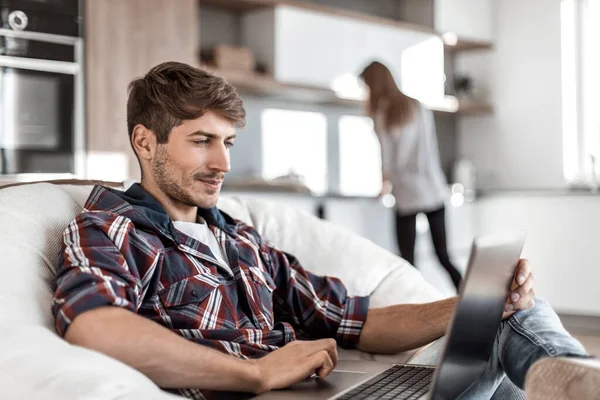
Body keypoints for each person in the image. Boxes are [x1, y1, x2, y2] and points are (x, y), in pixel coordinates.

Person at [52, 62, 588, 400]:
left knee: (515, 315)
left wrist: (473, 304)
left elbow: (353, 320)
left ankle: (574, 377)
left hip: (334, 391)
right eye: (201, 141)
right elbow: (96, 328)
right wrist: (256, 375)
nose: (222, 162)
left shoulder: (240, 238)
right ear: (145, 142)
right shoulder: (111, 228)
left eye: (229, 142)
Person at [360, 61, 463, 291]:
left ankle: (415, 307)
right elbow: (429, 149)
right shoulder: (417, 106)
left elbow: (386, 157)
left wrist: (383, 185)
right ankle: (474, 303)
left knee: (407, 263)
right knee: (443, 256)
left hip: (406, 194)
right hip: (432, 189)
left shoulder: (381, 113)